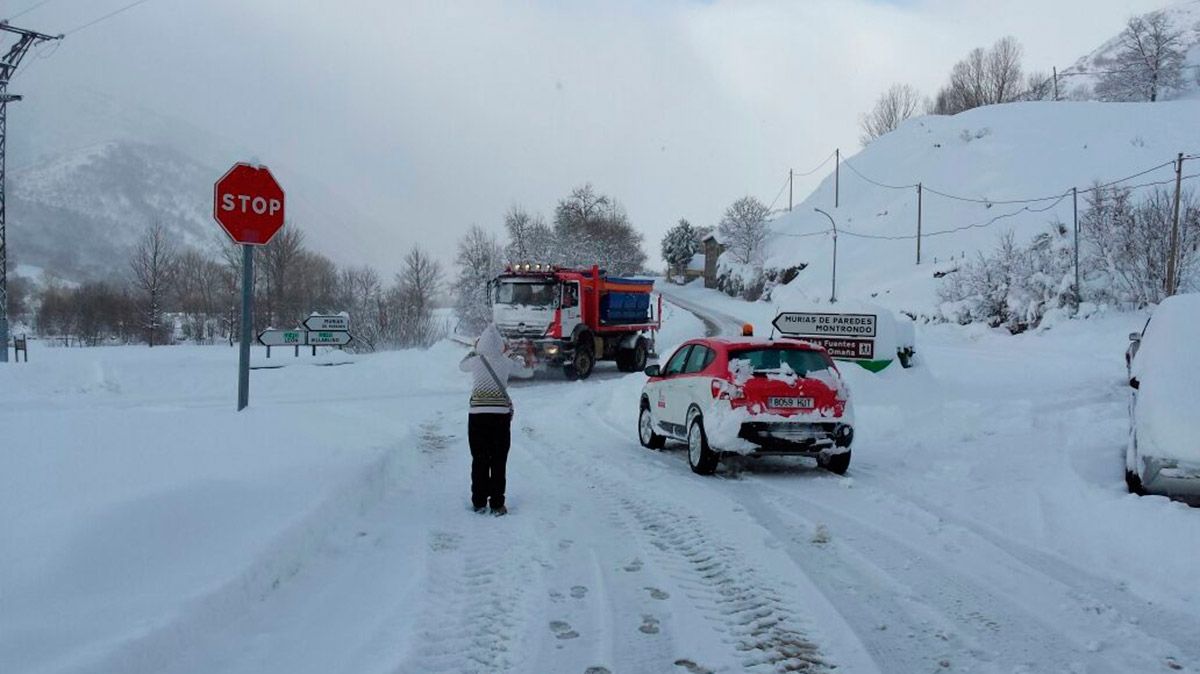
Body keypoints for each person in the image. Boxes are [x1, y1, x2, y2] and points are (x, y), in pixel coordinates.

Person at [458, 323, 532, 515]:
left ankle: (479, 502)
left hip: (477, 416)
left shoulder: (475, 361)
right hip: (500, 416)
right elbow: (526, 371)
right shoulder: (506, 362)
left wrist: (475, 350)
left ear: (480, 344)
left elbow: (461, 365)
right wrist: (510, 354)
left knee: (479, 458)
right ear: (501, 345)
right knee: (499, 460)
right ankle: (498, 504)